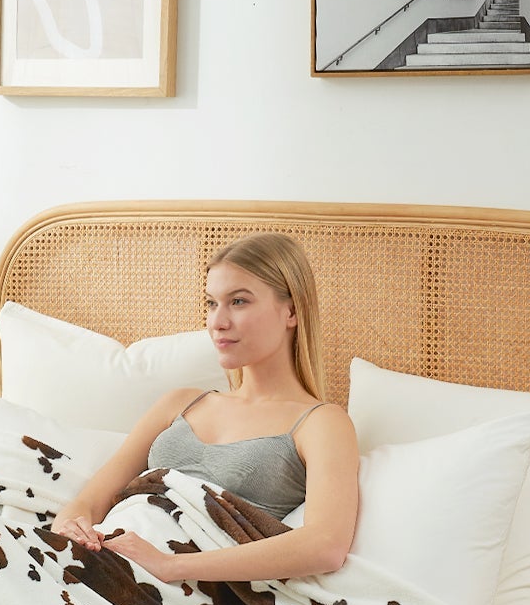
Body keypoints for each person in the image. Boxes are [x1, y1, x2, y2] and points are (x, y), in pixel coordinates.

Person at [48, 232, 359, 584]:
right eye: (212, 303)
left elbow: (325, 545)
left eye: (238, 302)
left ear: (290, 310)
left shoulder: (321, 423)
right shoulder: (180, 403)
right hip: (101, 562)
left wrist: (170, 567)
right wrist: (71, 528)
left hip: (178, 592)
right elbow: (88, 502)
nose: (217, 321)